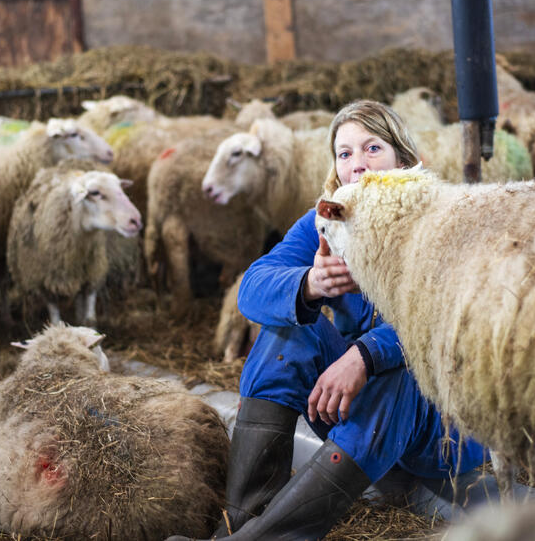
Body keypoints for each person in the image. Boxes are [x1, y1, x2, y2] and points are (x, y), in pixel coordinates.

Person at [169, 100, 487, 541]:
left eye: (373, 148)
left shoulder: (440, 221)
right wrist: (310, 284)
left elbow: (445, 315)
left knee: (400, 373)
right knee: (289, 329)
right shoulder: (327, 220)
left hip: (441, 431)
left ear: (404, 159)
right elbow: (252, 287)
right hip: (355, 423)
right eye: (345, 153)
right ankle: (243, 525)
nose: (358, 165)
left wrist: (365, 354)